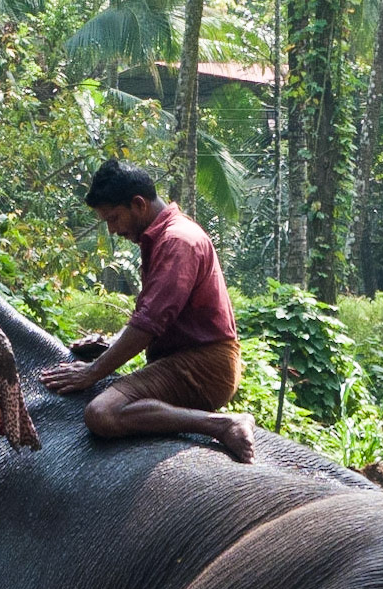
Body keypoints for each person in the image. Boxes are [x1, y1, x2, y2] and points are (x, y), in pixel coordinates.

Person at [41, 159, 255, 463]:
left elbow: (149, 324)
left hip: (203, 366)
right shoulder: (162, 238)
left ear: (138, 204)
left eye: (114, 218)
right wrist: (109, 344)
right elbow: (150, 314)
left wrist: (92, 372)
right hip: (180, 361)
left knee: (102, 413)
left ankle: (222, 424)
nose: (112, 230)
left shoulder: (179, 240)